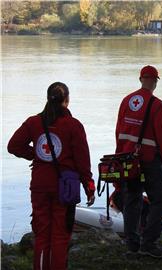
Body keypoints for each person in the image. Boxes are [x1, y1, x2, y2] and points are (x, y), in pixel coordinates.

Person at [7, 82, 96, 270]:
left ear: (47, 98)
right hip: (65, 188)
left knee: (41, 236)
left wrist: (37, 154)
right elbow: (82, 160)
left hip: (39, 185)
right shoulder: (73, 125)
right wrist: (89, 185)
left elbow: (13, 146)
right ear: (67, 100)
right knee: (60, 236)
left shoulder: (33, 122)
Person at [115, 65, 162, 259]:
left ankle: (132, 244)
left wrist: (120, 155)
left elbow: (118, 131)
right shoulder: (157, 105)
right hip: (149, 159)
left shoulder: (126, 100)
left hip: (127, 158)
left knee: (132, 199)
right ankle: (149, 243)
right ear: (155, 81)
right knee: (161, 198)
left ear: (141, 79)